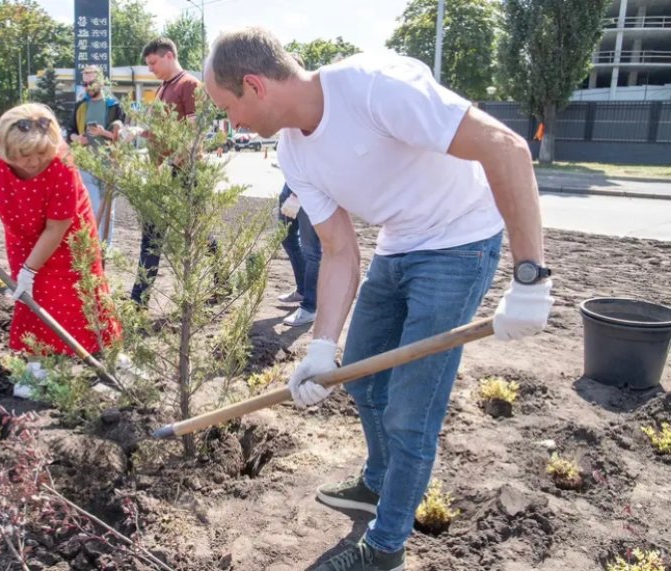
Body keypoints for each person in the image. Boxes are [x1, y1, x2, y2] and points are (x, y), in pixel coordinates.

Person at [205, 28, 554, 571]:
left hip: (461, 242)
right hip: (399, 244)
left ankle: (386, 547)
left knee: (411, 412)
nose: (232, 125)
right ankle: (377, 483)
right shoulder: (294, 153)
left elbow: (505, 148)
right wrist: (321, 346)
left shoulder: (373, 87)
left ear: (253, 85)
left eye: (229, 109)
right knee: (363, 377)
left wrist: (530, 277)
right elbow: (340, 250)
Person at [0, 103, 121, 388]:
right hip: (22, 235)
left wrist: (30, 269)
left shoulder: (61, 161)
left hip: (69, 234)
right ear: (5, 150)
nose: (32, 163)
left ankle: (110, 361)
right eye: (23, 156)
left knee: (84, 293)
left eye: (40, 155)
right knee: (32, 298)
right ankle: (38, 369)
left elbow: (57, 227)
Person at [130, 37, 206, 306]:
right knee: (152, 234)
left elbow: (196, 135)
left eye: (153, 63)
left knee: (198, 232)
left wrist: (172, 163)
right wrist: (138, 133)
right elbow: (160, 131)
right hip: (162, 173)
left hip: (184, 174)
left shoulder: (190, 86)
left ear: (169, 56)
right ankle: (138, 300)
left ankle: (221, 281)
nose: (150, 69)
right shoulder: (163, 88)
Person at [68, 65, 125, 248]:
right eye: (84, 84)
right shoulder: (80, 105)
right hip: (86, 166)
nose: (88, 87)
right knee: (90, 209)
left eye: (91, 83)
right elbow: (69, 131)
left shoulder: (114, 106)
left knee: (109, 211)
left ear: (100, 81)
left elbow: (123, 136)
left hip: (109, 165)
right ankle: (93, 250)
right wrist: (78, 138)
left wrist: (103, 133)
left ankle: (105, 250)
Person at [277, 183, 321, 326]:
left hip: (309, 190)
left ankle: (310, 306)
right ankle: (302, 290)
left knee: (312, 251)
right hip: (290, 186)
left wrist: (297, 195)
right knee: (287, 238)